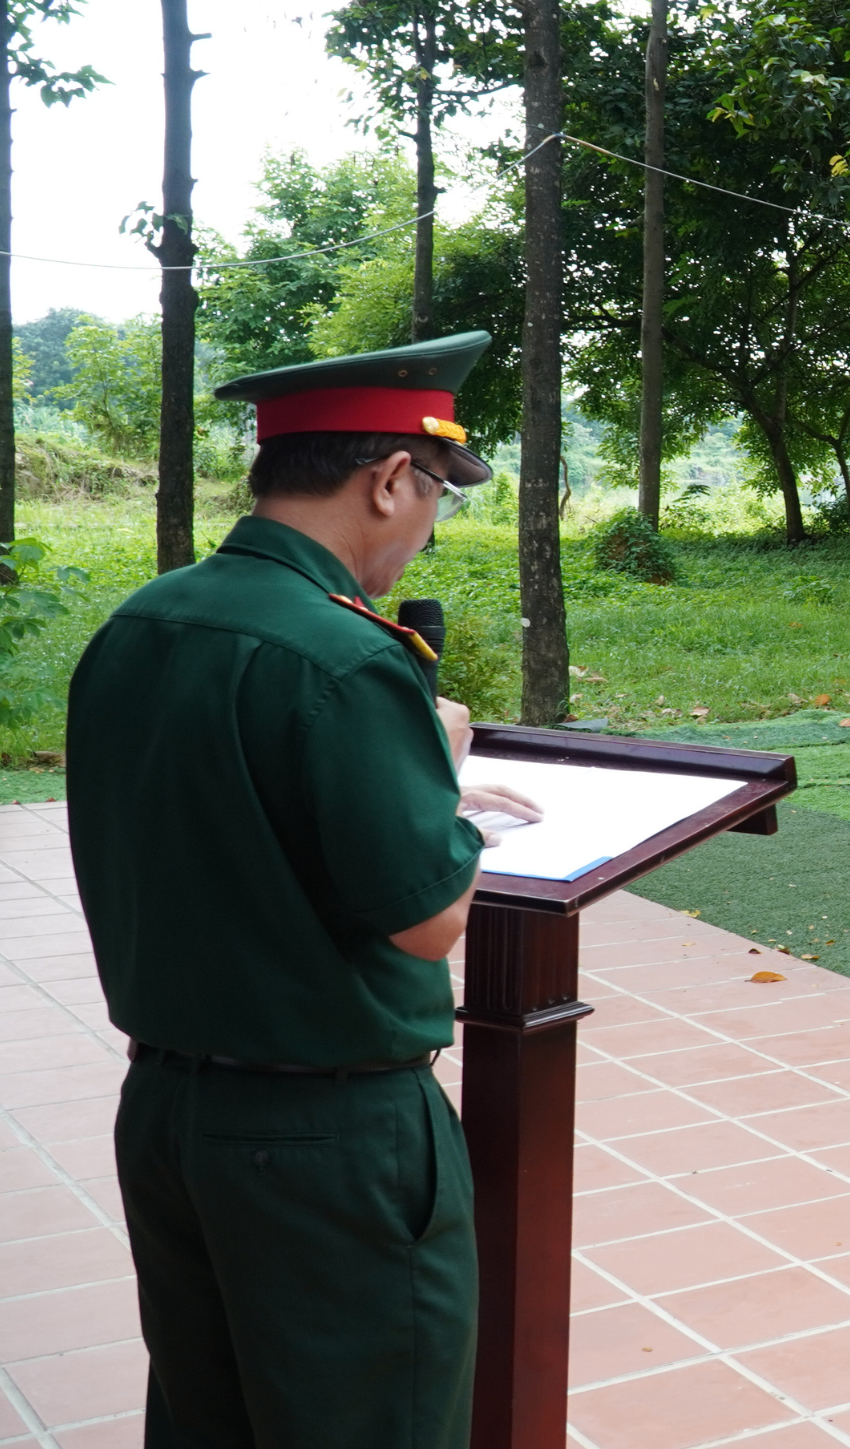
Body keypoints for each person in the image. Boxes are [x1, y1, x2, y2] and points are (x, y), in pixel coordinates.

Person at [66, 330, 541, 1446]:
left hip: (171, 1112)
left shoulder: (143, 622)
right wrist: (442, 777)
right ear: (389, 479)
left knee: (209, 1416)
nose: (425, 530)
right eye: (434, 495)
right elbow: (427, 920)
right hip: (328, 1137)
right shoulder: (347, 658)